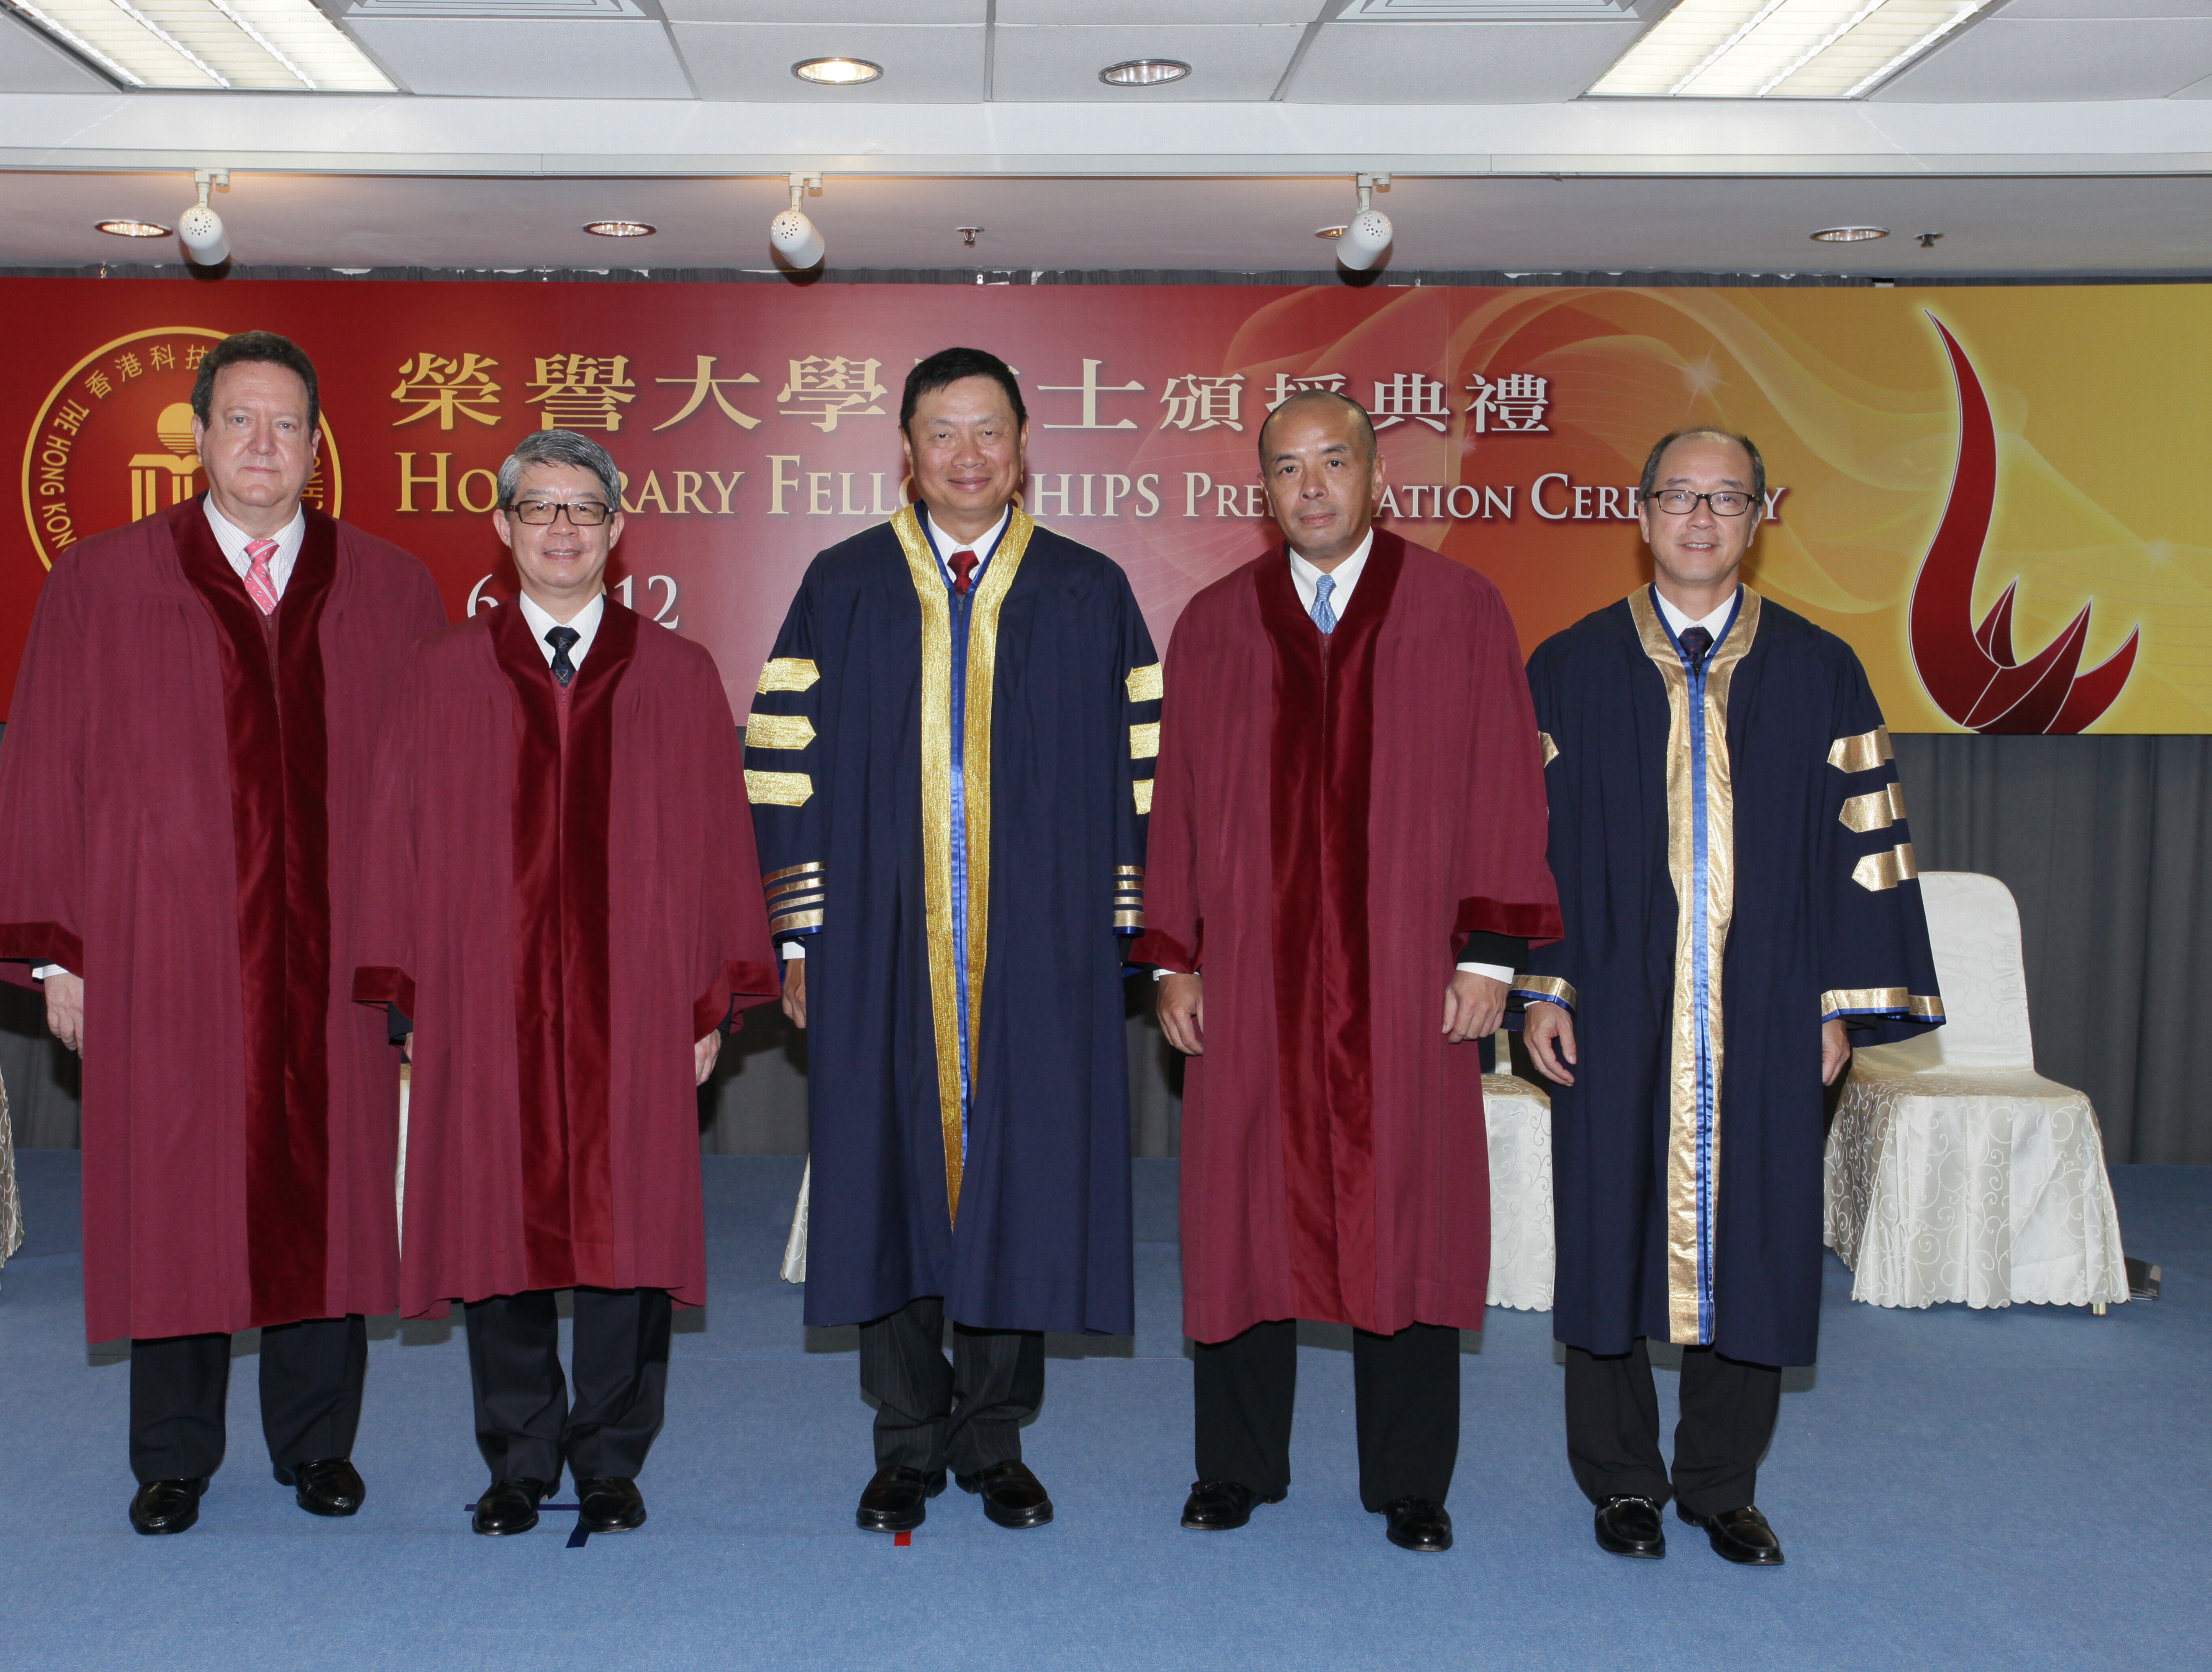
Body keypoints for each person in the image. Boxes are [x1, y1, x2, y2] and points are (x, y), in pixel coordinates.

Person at [0, 331, 446, 1536]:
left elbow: (434, 791)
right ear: (199, 438)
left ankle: (316, 1445)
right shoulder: (104, 582)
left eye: (287, 426)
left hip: (336, 958)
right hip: (167, 953)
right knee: (174, 1194)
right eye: (240, 422)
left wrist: (433, 957)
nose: (263, 445)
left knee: (329, 1198)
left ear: (319, 449)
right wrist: (62, 953)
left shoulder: (390, 589)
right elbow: (52, 769)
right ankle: (173, 1456)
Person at [1134, 391, 1561, 1550]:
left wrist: (1488, 952)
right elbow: (1175, 807)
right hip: (1256, 981)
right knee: (1240, 1209)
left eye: (1334, 462)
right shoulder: (1217, 624)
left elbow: (1502, 788)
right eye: (1286, 468)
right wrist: (1174, 958)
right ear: (1260, 492)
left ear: (1379, 478)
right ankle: (1236, 1467)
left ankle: (1410, 1482)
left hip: (1409, 968)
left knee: (1410, 1214)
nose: (1311, 485)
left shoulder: (1459, 610)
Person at [746, 347, 1158, 1534]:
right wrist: (804, 935)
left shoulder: (1089, 589)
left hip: (1043, 950)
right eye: (943, 433)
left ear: (1024, 445)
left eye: (990, 433)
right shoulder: (845, 582)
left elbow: (1147, 775)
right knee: (885, 1178)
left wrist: (1121, 931)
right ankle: (905, 1438)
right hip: (878, 942)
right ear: (908, 448)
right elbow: (783, 764)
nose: (967, 456)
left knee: (1023, 1179)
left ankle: (995, 1438)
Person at [1520, 428, 1943, 1566]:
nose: (1701, 518)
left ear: (1763, 515)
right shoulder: (1568, 666)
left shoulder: (1821, 672)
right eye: (1679, 496)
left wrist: (1839, 1004)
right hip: (1611, 999)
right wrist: (1543, 983)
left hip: (1768, 1005)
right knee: (1607, 1227)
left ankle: (1719, 1484)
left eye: (1726, 499)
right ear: (1639, 510)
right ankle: (1619, 1481)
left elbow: (1866, 853)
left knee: (1757, 1234)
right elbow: (1532, 846)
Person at [350, 430, 777, 1538]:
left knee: (628, 1238)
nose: (561, 530)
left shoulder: (677, 677)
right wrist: (408, 998)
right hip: (484, 1006)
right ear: (501, 528)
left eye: (584, 510)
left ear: (617, 529)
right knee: (499, 1236)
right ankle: (517, 1460)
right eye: (537, 509)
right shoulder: (440, 674)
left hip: (633, 1005)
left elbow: (718, 851)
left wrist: (706, 1002)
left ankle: (611, 1460)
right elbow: (394, 842)